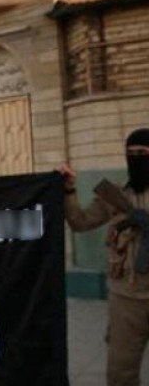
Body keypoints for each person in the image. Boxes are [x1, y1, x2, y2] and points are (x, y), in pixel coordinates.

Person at [60, 128, 149, 386]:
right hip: (126, 297)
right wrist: (70, 191)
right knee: (121, 373)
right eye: (131, 153)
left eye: (143, 153)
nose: (136, 158)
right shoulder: (115, 197)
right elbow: (80, 221)